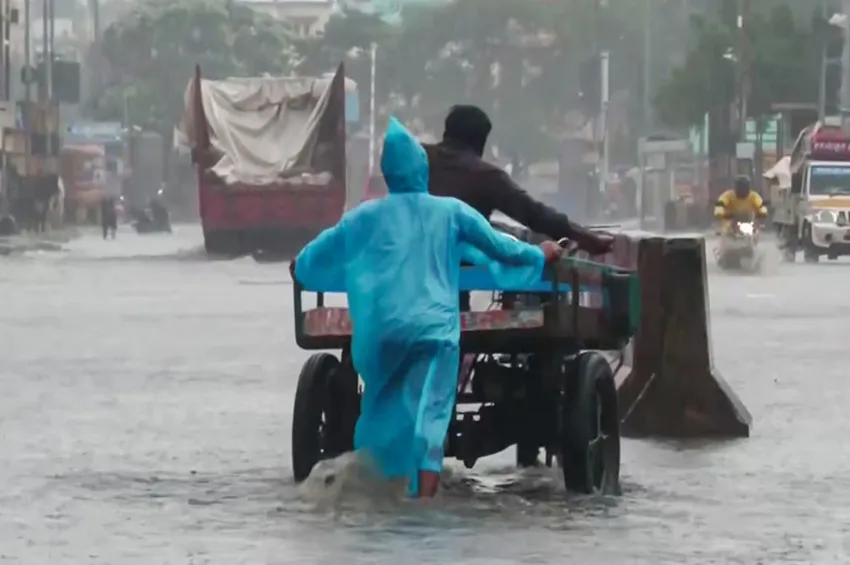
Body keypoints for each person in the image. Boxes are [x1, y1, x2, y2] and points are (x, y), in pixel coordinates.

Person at [291, 117, 561, 498]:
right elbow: (500, 247)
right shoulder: (450, 212)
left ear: (388, 174)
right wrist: (540, 254)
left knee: (379, 410)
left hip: (379, 334)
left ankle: (377, 491)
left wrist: (299, 267)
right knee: (430, 417)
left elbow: (312, 258)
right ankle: (422, 503)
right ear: (421, 169)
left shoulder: (364, 216)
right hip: (434, 334)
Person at [423, 105, 614, 255]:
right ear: (480, 140)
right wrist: (588, 239)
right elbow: (535, 215)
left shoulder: (417, 158)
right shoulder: (486, 176)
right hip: (458, 266)